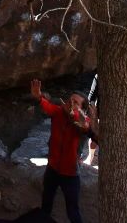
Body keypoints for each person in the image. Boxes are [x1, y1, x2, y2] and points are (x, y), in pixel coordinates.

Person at [30, 79, 89, 223]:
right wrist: (38, 97)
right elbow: (47, 106)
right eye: (71, 100)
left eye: (76, 103)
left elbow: (85, 126)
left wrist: (73, 114)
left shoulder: (82, 122)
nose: (71, 103)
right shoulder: (58, 113)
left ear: (82, 108)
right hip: (53, 168)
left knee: (73, 211)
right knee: (46, 203)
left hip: (70, 173)